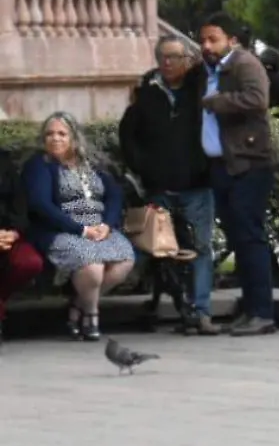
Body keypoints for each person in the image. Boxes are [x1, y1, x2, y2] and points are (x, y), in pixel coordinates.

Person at [119, 34, 218, 335]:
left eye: (175, 56)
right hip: (160, 188)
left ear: (187, 60)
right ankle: (182, 308)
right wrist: (145, 168)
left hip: (197, 185)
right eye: (163, 56)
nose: (168, 62)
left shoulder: (200, 89)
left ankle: (200, 311)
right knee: (163, 250)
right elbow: (128, 135)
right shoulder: (147, 94)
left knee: (201, 248)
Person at [20, 115, 137, 342]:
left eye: (62, 134)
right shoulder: (39, 165)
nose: (55, 138)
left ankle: (77, 305)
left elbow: (114, 195)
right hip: (60, 230)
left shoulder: (92, 163)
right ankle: (91, 315)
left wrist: (106, 225)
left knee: (124, 259)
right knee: (92, 265)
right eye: (49, 134)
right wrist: (81, 229)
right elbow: (41, 205)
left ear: (74, 137)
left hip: (98, 228)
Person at [198, 12, 279, 335]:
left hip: (249, 163)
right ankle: (250, 307)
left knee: (250, 236)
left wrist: (218, 102)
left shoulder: (244, 63)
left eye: (213, 39)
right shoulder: (209, 69)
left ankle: (262, 311)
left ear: (231, 40)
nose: (206, 45)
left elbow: (258, 99)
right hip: (223, 165)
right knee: (239, 238)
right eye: (202, 39)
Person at [0, 150, 44, 342]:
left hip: (7, 234)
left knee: (29, 263)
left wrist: (15, 231)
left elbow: (19, 203)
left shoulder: (3, 160)